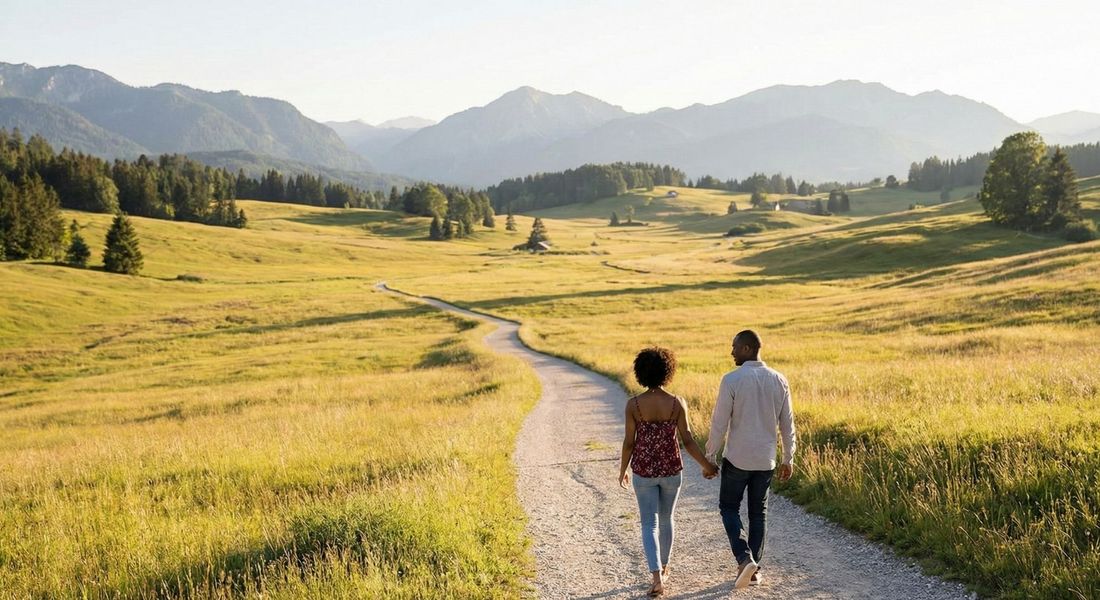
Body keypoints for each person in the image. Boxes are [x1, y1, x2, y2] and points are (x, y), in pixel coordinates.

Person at [619, 347, 719, 597]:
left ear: (640, 372)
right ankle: (664, 568)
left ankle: (656, 579)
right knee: (666, 520)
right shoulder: (677, 403)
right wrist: (706, 465)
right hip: (672, 470)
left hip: (643, 471)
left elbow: (629, 443)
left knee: (648, 523)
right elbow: (687, 440)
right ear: (667, 372)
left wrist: (622, 470)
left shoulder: (633, 405)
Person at [706, 330, 796, 589]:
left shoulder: (732, 380)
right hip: (765, 460)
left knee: (728, 508)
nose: (731, 351)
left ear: (746, 348)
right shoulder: (779, 380)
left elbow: (719, 423)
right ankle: (754, 571)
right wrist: (788, 457)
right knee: (759, 514)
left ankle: (744, 558)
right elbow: (787, 424)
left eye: (734, 346)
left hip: (737, 458)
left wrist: (710, 455)